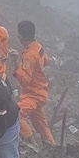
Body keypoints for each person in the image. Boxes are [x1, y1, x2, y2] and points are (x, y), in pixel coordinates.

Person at [14, 20, 56, 148]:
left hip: (33, 94)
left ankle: (31, 143)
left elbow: (25, 81)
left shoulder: (29, 56)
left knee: (16, 114)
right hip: (40, 91)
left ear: (20, 36)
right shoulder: (38, 47)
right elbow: (46, 60)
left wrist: (16, 67)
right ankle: (51, 145)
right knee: (40, 123)